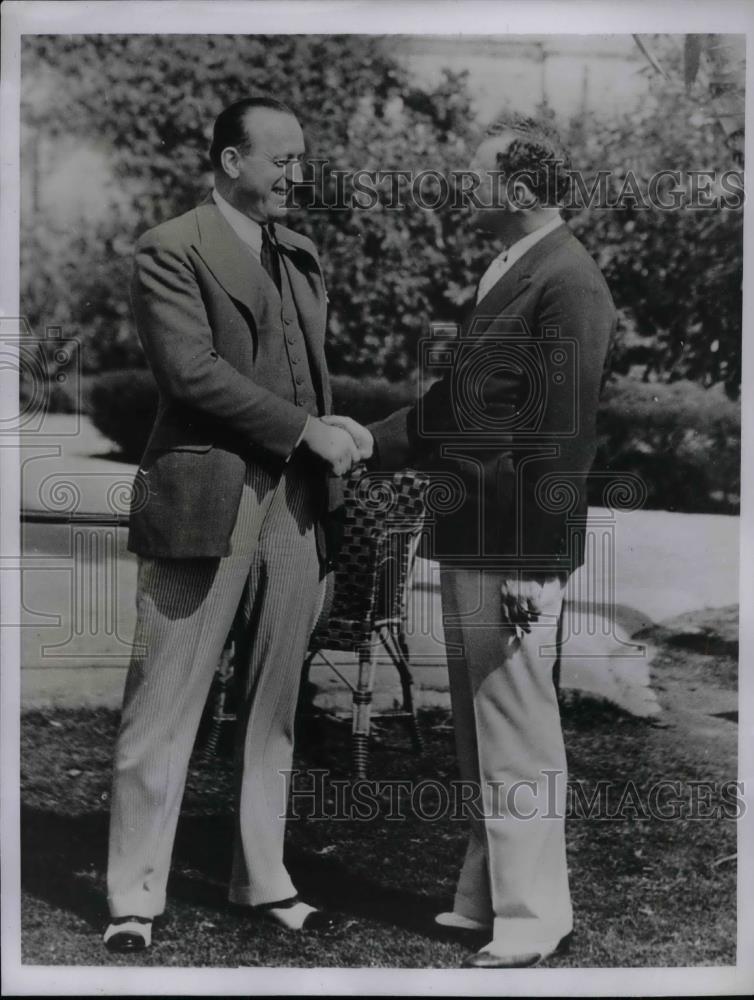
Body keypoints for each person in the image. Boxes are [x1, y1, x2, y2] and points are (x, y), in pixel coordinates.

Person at [328, 114, 616, 968]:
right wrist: (370, 439)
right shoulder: (515, 270)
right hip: (474, 537)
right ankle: (486, 897)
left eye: (477, 175)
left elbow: (564, 437)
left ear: (518, 192)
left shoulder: (568, 280)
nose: (466, 187)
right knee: (481, 729)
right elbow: (460, 407)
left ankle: (532, 919)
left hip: (511, 547)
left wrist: (538, 565)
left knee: (517, 729)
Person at [104, 96, 371, 953]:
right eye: (282, 159)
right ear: (230, 163)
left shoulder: (299, 252)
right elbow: (191, 373)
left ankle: (264, 880)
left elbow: (309, 372)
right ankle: (135, 897)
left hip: (295, 508)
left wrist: (336, 430)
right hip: (202, 498)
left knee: (275, 705)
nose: (299, 174)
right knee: (165, 697)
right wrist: (306, 431)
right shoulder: (169, 247)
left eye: (302, 158)